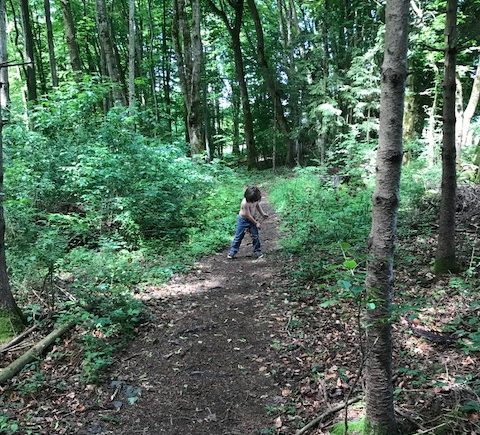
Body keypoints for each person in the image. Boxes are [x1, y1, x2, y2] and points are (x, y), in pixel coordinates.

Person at [227, 186, 269, 259]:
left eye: (254, 200)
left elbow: (257, 205)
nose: (252, 202)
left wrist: (263, 213)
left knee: (255, 236)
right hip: (243, 220)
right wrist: (256, 223)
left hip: (252, 219)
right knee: (239, 236)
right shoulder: (244, 203)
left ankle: (257, 251)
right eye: (251, 200)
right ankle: (232, 252)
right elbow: (248, 215)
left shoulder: (255, 199)